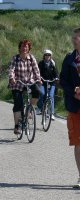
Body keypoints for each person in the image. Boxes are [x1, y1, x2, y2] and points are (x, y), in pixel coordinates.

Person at [60, 27, 80, 188]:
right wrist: (73, 90)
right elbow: (63, 81)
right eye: (73, 37)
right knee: (78, 142)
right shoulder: (69, 58)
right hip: (75, 106)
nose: (73, 40)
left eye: (76, 38)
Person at [9, 40, 41, 134]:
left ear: (29, 48)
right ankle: (17, 126)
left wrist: (38, 79)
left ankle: (30, 109)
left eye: (26, 46)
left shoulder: (31, 58)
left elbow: (36, 70)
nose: (24, 48)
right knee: (18, 104)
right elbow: (11, 69)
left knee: (37, 92)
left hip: (29, 82)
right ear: (19, 48)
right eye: (23, 46)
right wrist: (12, 78)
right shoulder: (15, 58)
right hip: (17, 84)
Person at [37, 49, 59, 120]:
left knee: (51, 95)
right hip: (43, 82)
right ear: (44, 56)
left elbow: (56, 72)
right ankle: (40, 107)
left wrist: (56, 78)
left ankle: (51, 113)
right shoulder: (41, 63)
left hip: (51, 82)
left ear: (50, 56)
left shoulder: (53, 63)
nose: (47, 56)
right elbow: (37, 72)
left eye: (49, 55)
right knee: (42, 93)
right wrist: (39, 77)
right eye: (46, 55)